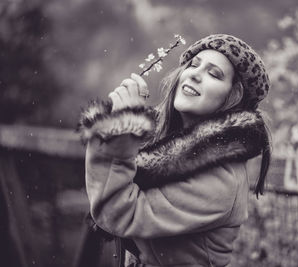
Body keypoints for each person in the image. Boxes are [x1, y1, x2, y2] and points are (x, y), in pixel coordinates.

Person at [78, 34, 271, 267]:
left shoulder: (223, 179)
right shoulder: (159, 146)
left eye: (213, 74)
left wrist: (122, 129)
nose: (195, 74)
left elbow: (117, 213)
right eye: (193, 64)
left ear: (234, 96)